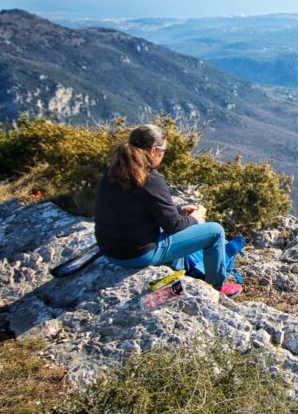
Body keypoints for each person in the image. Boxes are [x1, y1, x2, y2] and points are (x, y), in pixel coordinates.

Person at [94, 124, 243, 297]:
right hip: (137, 255)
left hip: (110, 252)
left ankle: (178, 272)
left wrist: (178, 209)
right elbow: (173, 226)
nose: (163, 155)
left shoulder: (112, 172)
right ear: (152, 151)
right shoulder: (150, 179)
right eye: (163, 150)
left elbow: (136, 209)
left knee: (176, 233)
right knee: (215, 231)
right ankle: (217, 288)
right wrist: (196, 218)